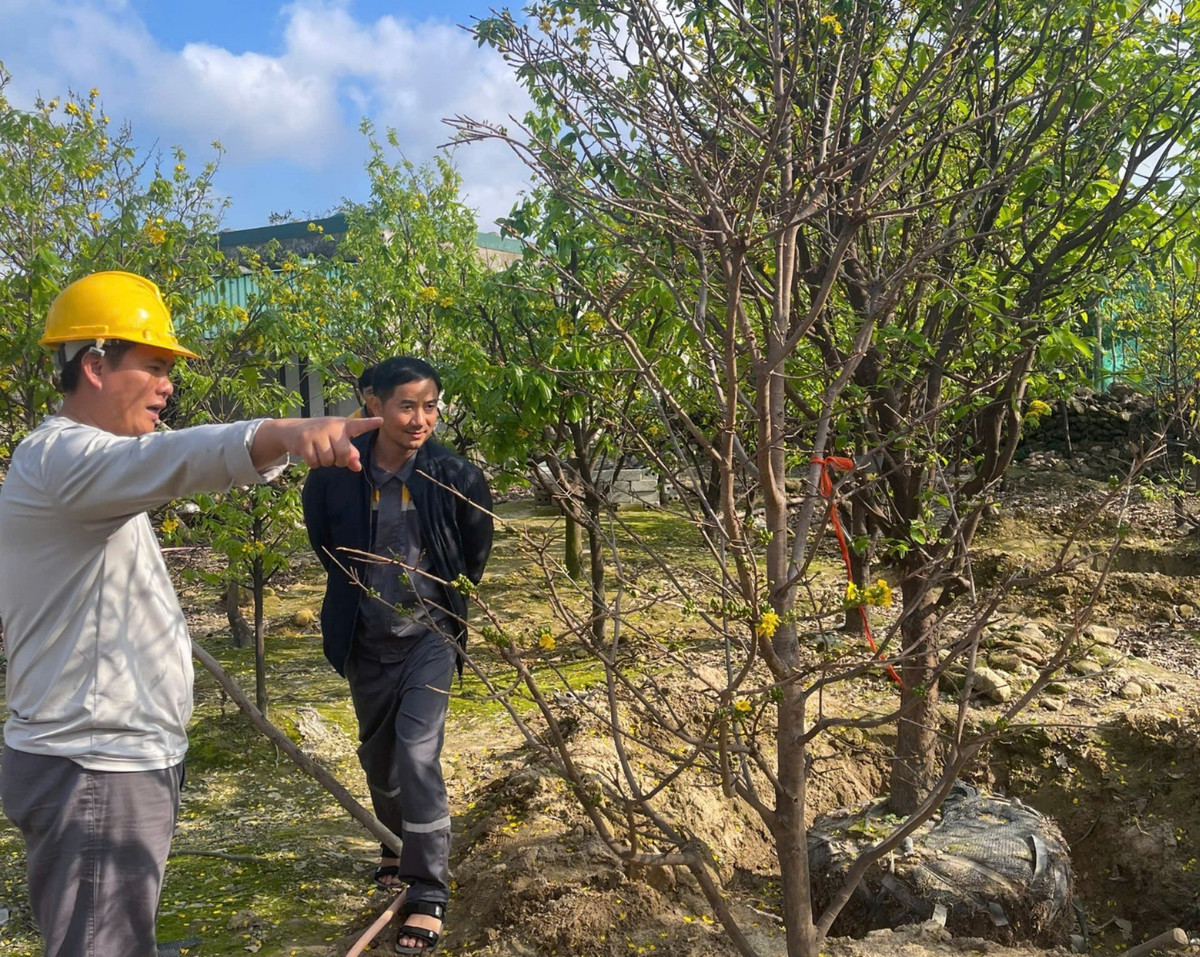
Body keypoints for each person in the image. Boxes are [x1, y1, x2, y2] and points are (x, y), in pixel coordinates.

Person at [0, 270, 382, 957]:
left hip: (112, 760)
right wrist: (284, 433)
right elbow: (178, 457)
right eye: (153, 364)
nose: (168, 383)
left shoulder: (84, 471)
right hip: (94, 768)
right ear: (93, 364)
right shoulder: (64, 459)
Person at [302, 355, 493, 954]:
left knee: (416, 755)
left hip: (430, 639)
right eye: (407, 405)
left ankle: (428, 891)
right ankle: (393, 840)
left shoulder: (455, 476)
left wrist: (439, 609)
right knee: (378, 758)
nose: (420, 418)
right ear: (373, 404)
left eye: (430, 405)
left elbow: (472, 554)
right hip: (364, 636)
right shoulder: (335, 477)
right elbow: (325, 548)